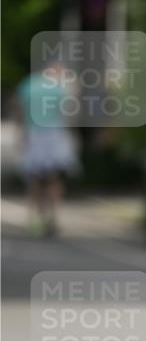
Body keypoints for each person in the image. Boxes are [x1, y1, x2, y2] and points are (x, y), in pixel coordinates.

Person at [16, 62, 80, 237]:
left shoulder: (28, 84)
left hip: (33, 135)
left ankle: (33, 218)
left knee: (34, 179)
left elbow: (20, 111)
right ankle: (53, 218)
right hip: (55, 136)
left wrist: (21, 135)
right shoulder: (61, 89)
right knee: (54, 179)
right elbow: (70, 114)